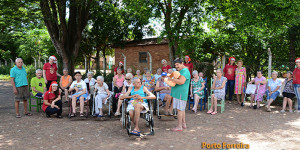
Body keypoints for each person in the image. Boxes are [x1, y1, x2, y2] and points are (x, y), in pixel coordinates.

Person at [167, 58, 191, 132]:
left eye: (178, 64)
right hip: (178, 93)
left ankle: (179, 126)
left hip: (181, 93)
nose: (176, 66)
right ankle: (183, 124)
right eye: (175, 65)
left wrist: (170, 79)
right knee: (182, 109)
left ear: (182, 63)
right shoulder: (180, 71)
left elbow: (181, 82)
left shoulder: (185, 71)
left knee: (179, 110)